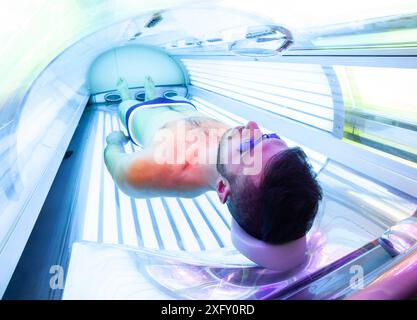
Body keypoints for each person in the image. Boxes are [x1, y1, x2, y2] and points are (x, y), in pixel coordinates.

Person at [104, 76, 322, 245]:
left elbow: (115, 162)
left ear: (222, 186)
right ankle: (151, 94)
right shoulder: (235, 155)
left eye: (248, 147)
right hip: (185, 107)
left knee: (126, 103)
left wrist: (114, 142)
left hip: (141, 116)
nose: (252, 126)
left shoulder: (147, 170)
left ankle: (128, 97)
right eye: (268, 137)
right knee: (160, 98)